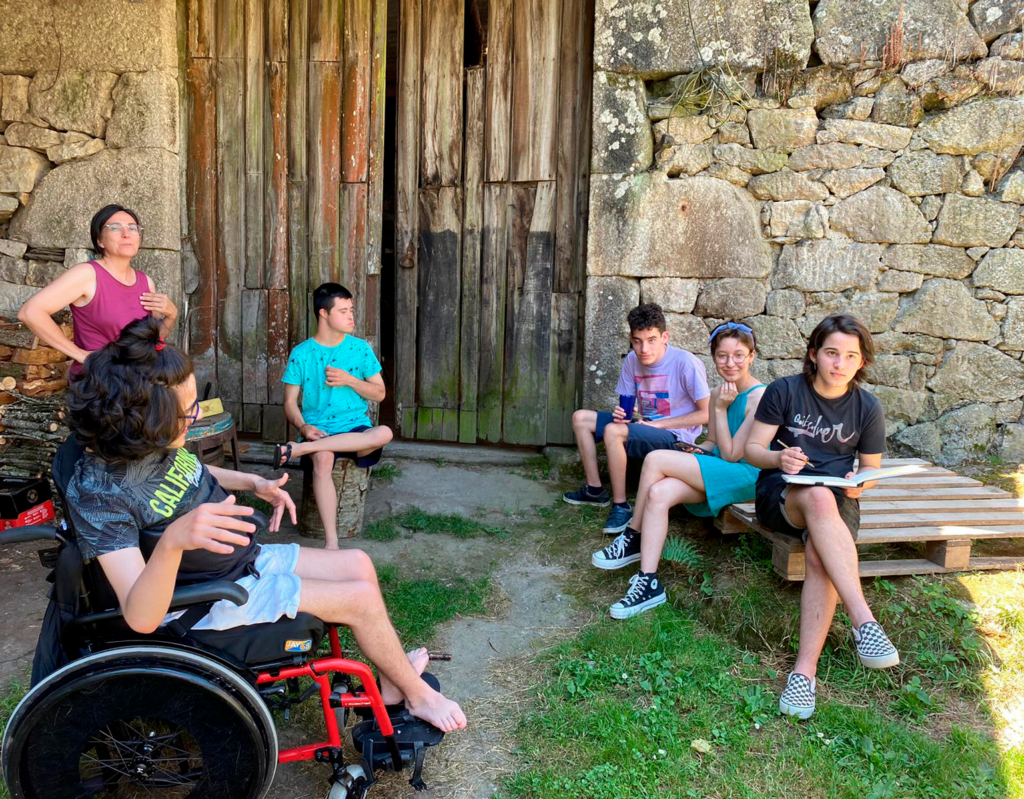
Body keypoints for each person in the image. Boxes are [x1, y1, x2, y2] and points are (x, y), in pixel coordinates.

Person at [63, 317, 466, 732]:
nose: (194, 419)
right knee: (359, 599)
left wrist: (256, 482)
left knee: (359, 562)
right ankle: (419, 697)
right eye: (187, 414)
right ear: (142, 417)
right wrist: (171, 543)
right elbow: (141, 616)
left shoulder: (147, 443)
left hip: (235, 563)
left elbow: (195, 472)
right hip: (201, 602)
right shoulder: (99, 494)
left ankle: (392, 687)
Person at [743, 314, 899, 721]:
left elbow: (871, 470)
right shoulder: (785, 391)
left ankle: (803, 673)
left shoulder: (867, 406)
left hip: (836, 496)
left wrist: (859, 484)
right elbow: (752, 451)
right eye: (832, 353)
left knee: (819, 553)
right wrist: (780, 456)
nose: (840, 363)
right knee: (814, 496)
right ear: (815, 355)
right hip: (781, 493)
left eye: (851, 355)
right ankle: (864, 620)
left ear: (861, 361)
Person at [592, 321, 764, 618]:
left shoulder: (759, 397)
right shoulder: (719, 392)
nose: (730, 363)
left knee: (657, 459)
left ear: (751, 356)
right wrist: (695, 451)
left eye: (738, 355)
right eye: (722, 356)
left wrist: (721, 409)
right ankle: (649, 582)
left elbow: (735, 455)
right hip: (720, 467)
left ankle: (632, 534)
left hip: (747, 474)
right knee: (659, 492)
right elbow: (712, 441)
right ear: (714, 358)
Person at [563, 303, 710, 534]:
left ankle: (621, 506)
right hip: (644, 425)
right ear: (631, 339)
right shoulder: (632, 360)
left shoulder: (685, 363)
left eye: (651, 340)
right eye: (637, 341)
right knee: (581, 418)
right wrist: (621, 413)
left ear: (664, 337)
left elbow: (706, 413)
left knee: (613, 431)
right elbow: (627, 408)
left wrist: (659, 424)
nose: (644, 349)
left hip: (675, 436)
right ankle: (595, 490)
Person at [277, 283, 394, 549]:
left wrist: (350, 380)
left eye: (351, 310)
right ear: (324, 314)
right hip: (319, 430)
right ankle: (332, 543)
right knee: (321, 460)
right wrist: (304, 426)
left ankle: (300, 449)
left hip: (356, 428)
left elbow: (379, 394)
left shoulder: (360, 349)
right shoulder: (302, 354)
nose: (351, 316)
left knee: (384, 432)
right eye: (343, 311)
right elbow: (289, 402)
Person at [17, 204, 177, 380]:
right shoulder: (87, 274)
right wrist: (82, 356)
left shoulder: (146, 282)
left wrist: (171, 315)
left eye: (133, 228)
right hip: (99, 388)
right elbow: (30, 312)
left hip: (139, 384)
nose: (126, 233)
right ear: (100, 240)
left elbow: (148, 342)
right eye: (115, 228)